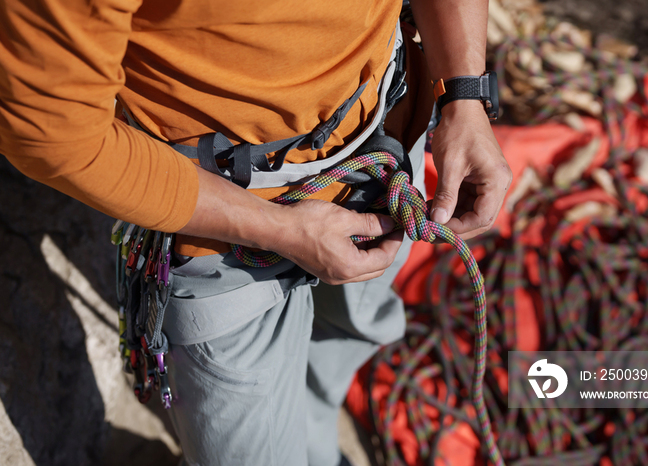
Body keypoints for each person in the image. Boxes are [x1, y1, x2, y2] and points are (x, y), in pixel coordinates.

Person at [0, 0, 511, 464]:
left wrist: (464, 94)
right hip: (222, 229)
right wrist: (280, 230)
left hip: (386, 140)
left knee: (348, 330)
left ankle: (314, 438)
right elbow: (52, 133)